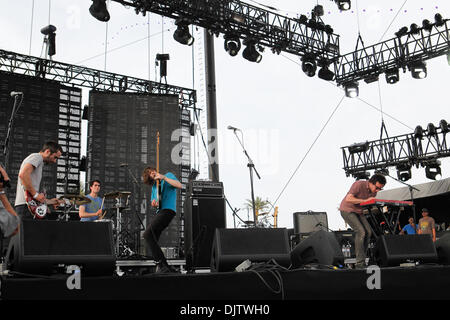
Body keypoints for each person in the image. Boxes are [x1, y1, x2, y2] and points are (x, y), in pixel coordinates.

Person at [339, 174, 386, 269]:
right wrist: (366, 200)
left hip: (358, 211)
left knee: (368, 232)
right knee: (361, 232)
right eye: (376, 188)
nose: (377, 191)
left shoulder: (374, 192)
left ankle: (362, 259)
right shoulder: (358, 184)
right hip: (347, 209)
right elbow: (349, 198)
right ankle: (360, 263)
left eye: (380, 189)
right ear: (370, 182)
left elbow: (365, 203)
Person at [142, 166, 182, 273]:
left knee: (147, 234)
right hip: (160, 211)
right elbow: (154, 202)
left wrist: (163, 177)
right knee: (153, 238)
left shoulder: (167, 175)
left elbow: (179, 185)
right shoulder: (155, 187)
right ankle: (161, 266)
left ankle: (162, 264)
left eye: (153, 171)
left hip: (168, 210)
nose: (153, 173)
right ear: (149, 178)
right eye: (150, 173)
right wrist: (154, 203)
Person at [14, 141, 63, 220]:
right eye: (55, 157)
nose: (55, 161)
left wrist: (50, 201)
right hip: (26, 207)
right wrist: (35, 195)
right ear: (47, 152)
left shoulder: (39, 163)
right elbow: (23, 175)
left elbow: (35, 197)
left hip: (28, 207)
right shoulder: (37, 157)